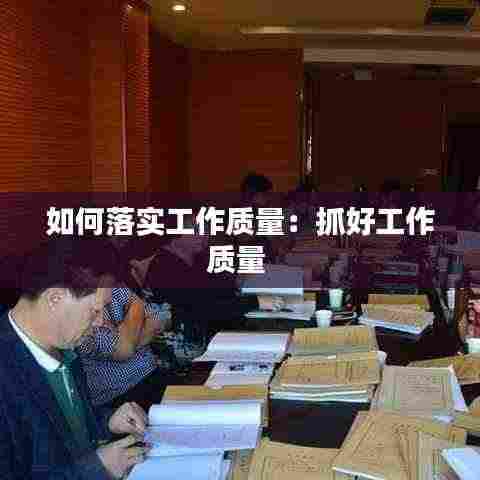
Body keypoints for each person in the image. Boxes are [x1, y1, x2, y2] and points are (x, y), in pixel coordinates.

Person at [0, 237, 150, 479]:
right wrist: (96, 469)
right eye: (95, 310)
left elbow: (70, 424)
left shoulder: (65, 344)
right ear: (55, 298)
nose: (100, 322)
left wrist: (108, 421)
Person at [144, 224, 284, 361]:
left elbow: (219, 291)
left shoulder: (196, 258)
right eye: (196, 230)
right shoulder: (164, 266)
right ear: (174, 233)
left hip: (212, 333)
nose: (204, 235)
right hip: (188, 347)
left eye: (205, 229)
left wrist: (235, 281)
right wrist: (256, 302)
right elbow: (205, 307)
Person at [77, 286, 176, 411]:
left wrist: (129, 338)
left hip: (151, 372)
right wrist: (137, 307)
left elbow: (161, 318)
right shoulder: (78, 313)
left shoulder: (114, 289)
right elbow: (121, 350)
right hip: (118, 395)